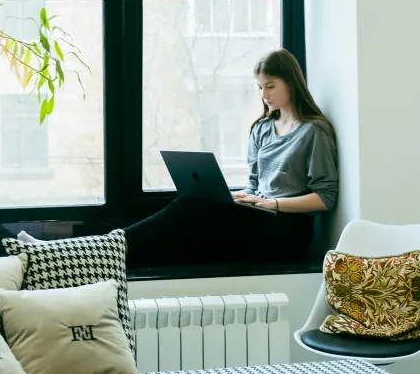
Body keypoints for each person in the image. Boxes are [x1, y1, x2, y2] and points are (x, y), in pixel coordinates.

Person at [122, 48, 338, 268]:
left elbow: (325, 197)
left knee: (188, 209)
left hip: (289, 231)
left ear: (291, 83)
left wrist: (272, 203)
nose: (264, 95)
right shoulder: (262, 128)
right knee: (189, 230)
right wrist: (237, 198)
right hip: (261, 218)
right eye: (260, 88)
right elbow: (254, 185)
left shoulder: (314, 132)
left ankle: (117, 244)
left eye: (270, 86)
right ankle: (119, 258)